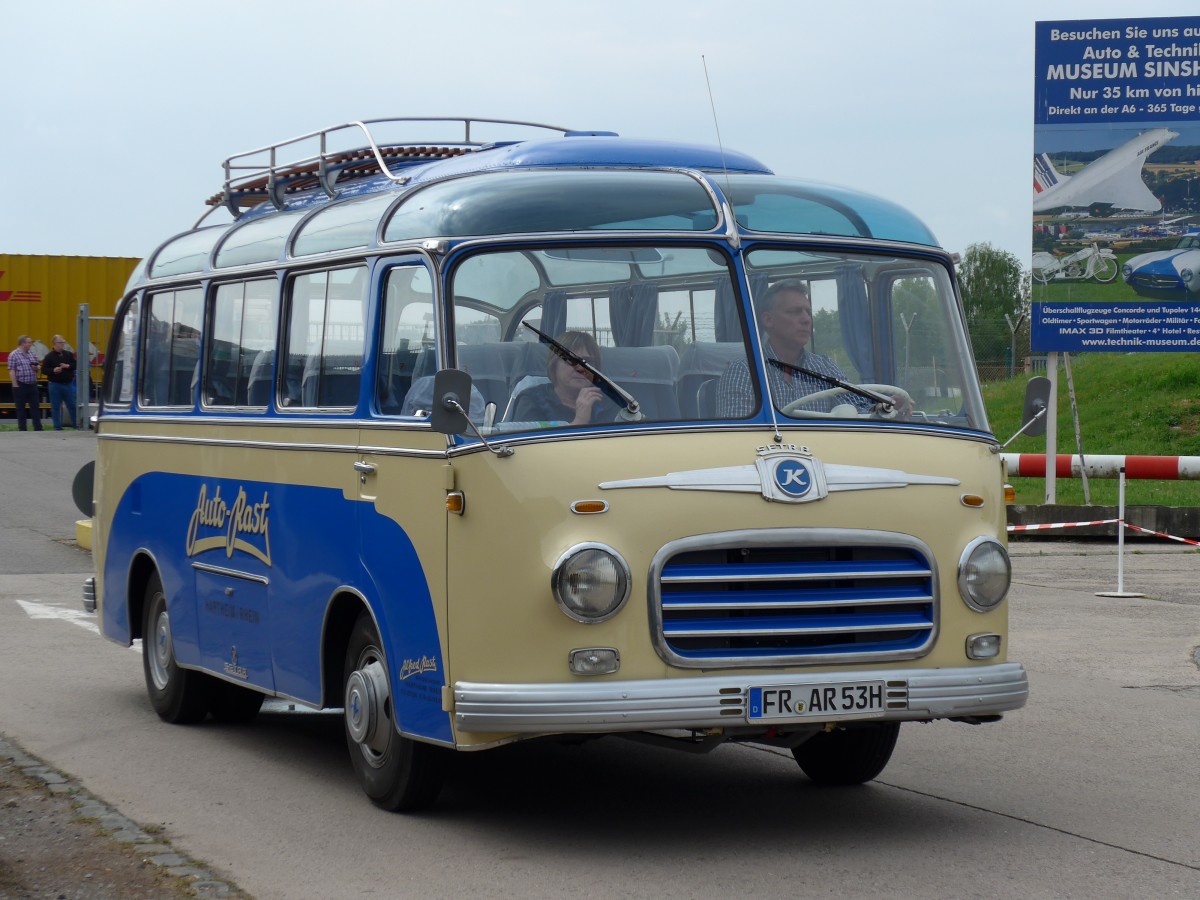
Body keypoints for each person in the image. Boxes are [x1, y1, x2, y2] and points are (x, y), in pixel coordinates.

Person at [717, 279, 906, 418]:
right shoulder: (743, 372)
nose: (806, 319)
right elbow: (739, 436)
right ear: (768, 320)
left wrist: (884, 409)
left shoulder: (825, 367)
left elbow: (856, 408)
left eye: (808, 312)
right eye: (794, 312)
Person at [509, 331, 617, 426]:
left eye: (587, 362)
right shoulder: (532, 399)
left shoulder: (608, 401)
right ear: (554, 365)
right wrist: (579, 421)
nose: (580, 368)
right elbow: (527, 446)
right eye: (570, 361)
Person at [40, 335, 78, 430]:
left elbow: (75, 365)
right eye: (60, 343)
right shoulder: (49, 356)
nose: (62, 344)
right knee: (55, 407)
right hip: (55, 385)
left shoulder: (68, 354)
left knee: (72, 405)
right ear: (54, 344)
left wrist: (67, 366)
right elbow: (44, 370)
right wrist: (53, 370)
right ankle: (57, 427)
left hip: (67, 384)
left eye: (63, 342)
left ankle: (76, 425)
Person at [8, 335, 43, 431]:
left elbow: (37, 366)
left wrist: (36, 368)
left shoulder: (31, 354)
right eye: (29, 342)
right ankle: (22, 429)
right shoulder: (14, 355)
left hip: (32, 384)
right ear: (23, 343)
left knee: (35, 407)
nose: (31, 344)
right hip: (20, 384)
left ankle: (38, 428)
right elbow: (12, 370)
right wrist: (15, 385)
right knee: (21, 409)